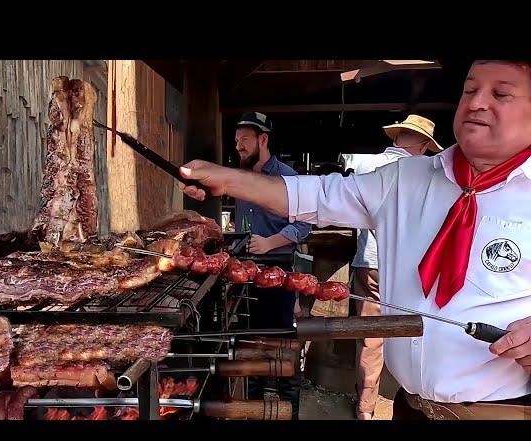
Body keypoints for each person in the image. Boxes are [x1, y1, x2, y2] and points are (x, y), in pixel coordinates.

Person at [179, 60, 531, 420]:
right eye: (470, 90)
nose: (476, 103)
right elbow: (314, 195)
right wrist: (225, 179)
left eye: (500, 93)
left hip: (503, 410)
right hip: (412, 409)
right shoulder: (405, 179)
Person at [350, 115, 443, 420]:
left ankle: (366, 406)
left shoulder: (365, 166)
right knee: (421, 329)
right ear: (423, 145)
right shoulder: (422, 173)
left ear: (396, 138)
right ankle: (421, 398)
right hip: (407, 267)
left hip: (369, 262)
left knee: (370, 337)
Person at [233, 112, 312, 419]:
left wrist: (270, 242)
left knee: (283, 349)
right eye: (237, 140)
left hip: (280, 275)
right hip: (246, 278)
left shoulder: (287, 178)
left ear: (263, 140)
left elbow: (304, 224)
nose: (239, 146)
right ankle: (254, 412)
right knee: (252, 348)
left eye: (245, 140)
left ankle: (288, 413)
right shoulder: (238, 179)